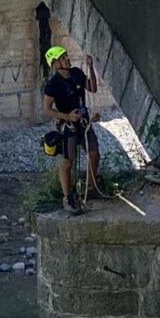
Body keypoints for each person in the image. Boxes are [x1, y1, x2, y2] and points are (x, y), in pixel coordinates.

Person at [42, 45, 101, 215]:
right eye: (63, 58)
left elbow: (92, 88)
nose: (67, 59)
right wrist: (68, 117)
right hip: (68, 127)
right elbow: (47, 109)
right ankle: (67, 198)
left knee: (94, 152)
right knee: (68, 161)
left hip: (84, 122)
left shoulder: (76, 73)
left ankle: (91, 187)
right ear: (55, 64)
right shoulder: (53, 85)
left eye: (66, 56)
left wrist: (90, 67)